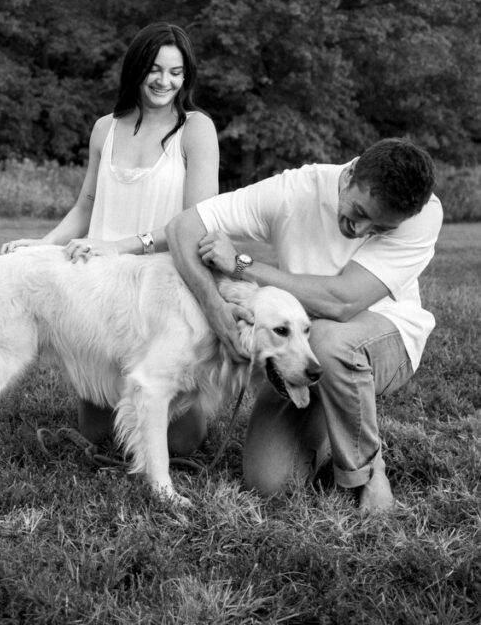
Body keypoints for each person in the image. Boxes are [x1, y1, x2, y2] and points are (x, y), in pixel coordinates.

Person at [165, 138, 442, 512]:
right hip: (305, 349)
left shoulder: (424, 212)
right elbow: (182, 227)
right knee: (268, 481)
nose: (362, 230)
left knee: (330, 340)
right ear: (349, 175)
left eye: (379, 228)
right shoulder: (294, 190)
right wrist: (214, 308)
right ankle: (333, 416)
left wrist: (243, 265)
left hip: (386, 338)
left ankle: (367, 473)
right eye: (359, 212)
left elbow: (341, 302)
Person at [2, 21, 220, 453]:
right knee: (99, 436)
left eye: (176, 72)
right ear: (136, 68)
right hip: (102, 292)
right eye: (155, 69)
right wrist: (44, 243)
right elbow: (85, 207)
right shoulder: (106, 128)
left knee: (181, 444)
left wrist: (119, 247)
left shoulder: (196, 129)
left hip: (164, 290)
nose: (164, 81)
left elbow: (196, 221)